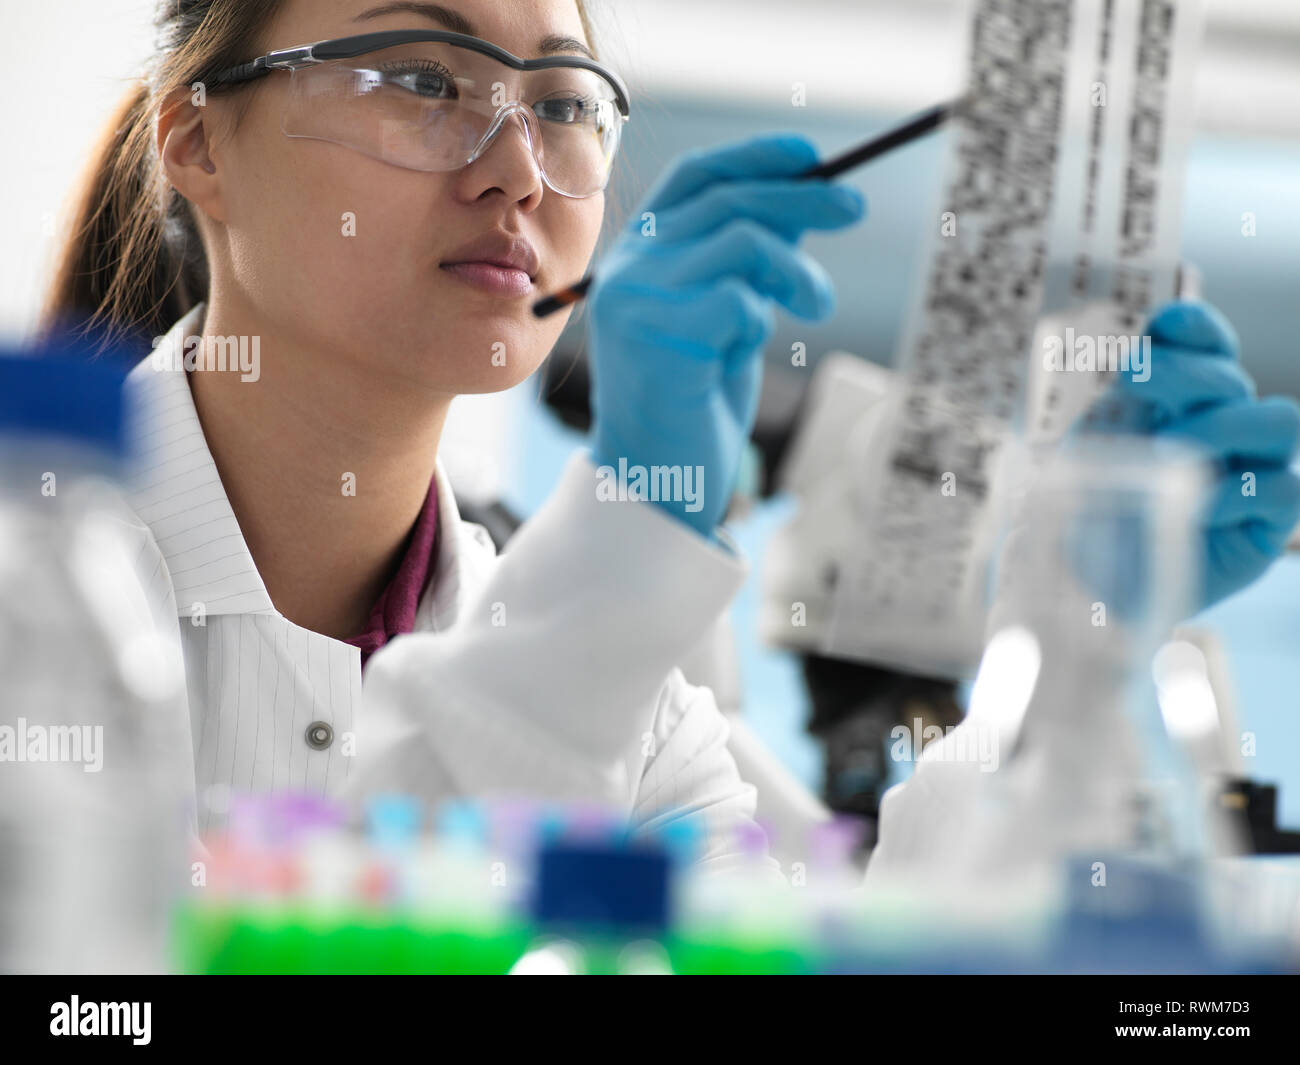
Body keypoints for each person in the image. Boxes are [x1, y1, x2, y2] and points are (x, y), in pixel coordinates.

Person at [41, 0, 1298, 876]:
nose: (518, 171)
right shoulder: (32, 606)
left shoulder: (636, 716)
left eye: (565, 102)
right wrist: (634, 529)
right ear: (197, 138)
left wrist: (1072, 634)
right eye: (424, 78)